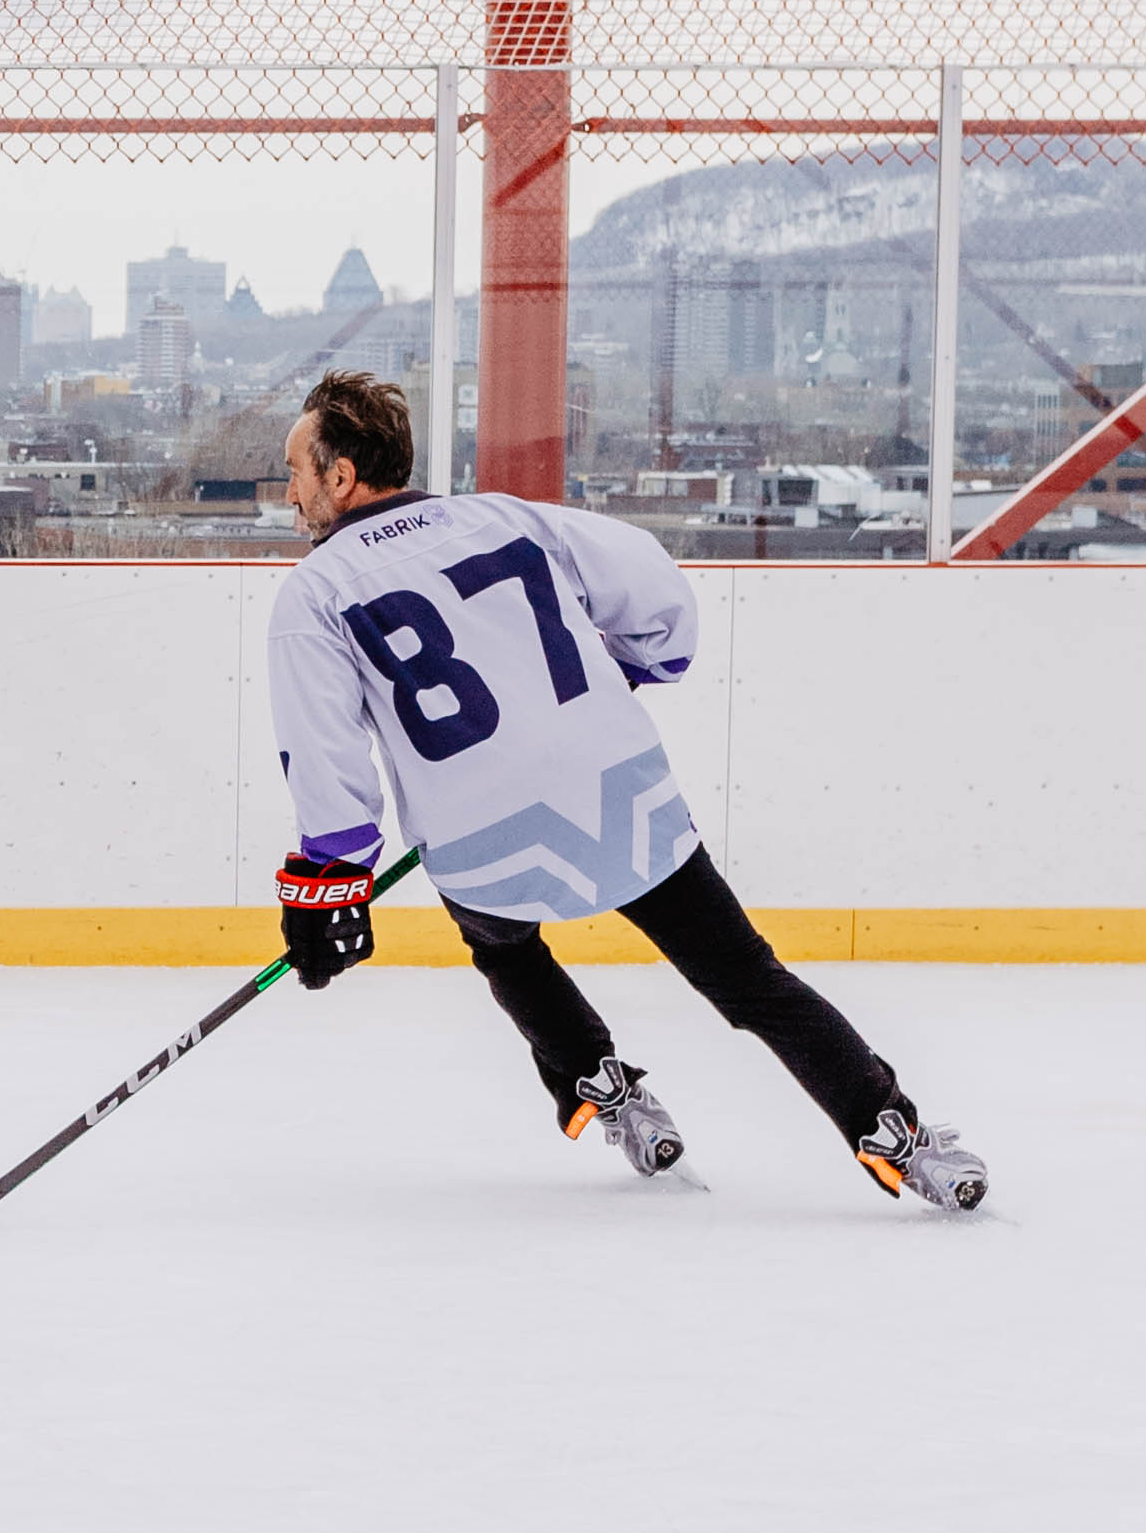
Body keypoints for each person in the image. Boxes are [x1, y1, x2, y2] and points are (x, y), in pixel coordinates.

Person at [265, 368, 986, 1209]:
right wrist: (639, 667)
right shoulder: (509, 517)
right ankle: (891, 1129)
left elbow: (327, 756)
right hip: (620, 797)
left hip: (480, 843)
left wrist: (330, 886)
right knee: (749, 978)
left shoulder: (313, 593)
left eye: (294, 472)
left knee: (505, 949)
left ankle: (596, 1085)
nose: (289, 494)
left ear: (341, 476)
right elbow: (652, 584)